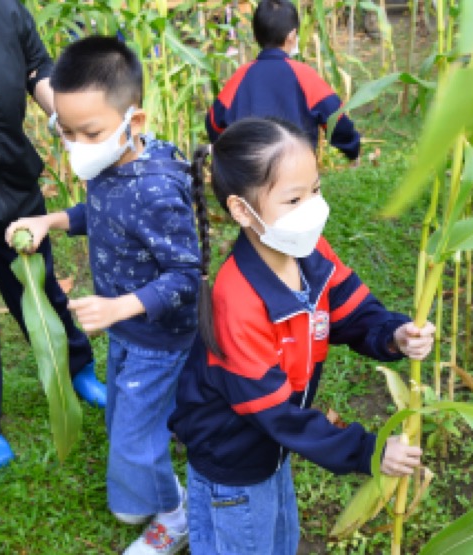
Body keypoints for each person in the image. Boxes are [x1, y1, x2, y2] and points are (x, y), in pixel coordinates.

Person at [169, 117, 435, 554]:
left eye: (315, 189)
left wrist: (394, 334)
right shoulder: (237, 302)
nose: (312, 207)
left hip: (272, 449)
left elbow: (353, 311)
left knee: (281, 542)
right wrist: (368, 451)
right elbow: (278, 415)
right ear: (242, 210)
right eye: (293, 199)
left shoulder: (310, 254)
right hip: (234, 462)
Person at [5, 36, 196, 555]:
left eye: (87, 133)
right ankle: (145, 484)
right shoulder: (110, 166)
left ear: (134, 123)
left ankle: (176, 516)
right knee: (123, 418)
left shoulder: (157, 189)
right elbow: (101, 212)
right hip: (127, 327)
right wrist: (51, 219)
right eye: (64, 132)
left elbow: (185, 277)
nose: (74, 146)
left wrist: (119, 306)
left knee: (134, 434)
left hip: (156, 332)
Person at [0, 0, 106, 469]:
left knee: (42, 291)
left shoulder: (2, 8)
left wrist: (64, 116)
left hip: (14, 190)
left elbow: (38, 66)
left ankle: (76, 369)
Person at [205, 0, 362, 162]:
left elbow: (213, 123)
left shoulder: (240, 75)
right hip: (296, 167)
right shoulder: (304, 74)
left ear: (255, 35)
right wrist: (352, 148)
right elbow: (335, 116)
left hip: (250, 171)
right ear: (292, 36)